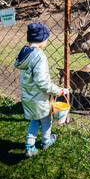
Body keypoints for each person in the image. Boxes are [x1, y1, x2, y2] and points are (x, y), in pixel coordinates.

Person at [14, 22, 68, 158]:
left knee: (34, 120)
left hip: (28, 97)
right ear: (42, 40)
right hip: (40, 99)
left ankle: (29, 146)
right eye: (47, 39)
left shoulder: (24, 53)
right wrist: (58, 90)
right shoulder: (39, 56)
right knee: (46, 121)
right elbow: (43, 82)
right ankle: (45, 142)